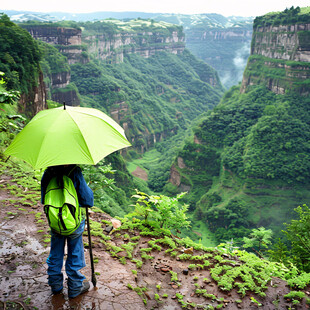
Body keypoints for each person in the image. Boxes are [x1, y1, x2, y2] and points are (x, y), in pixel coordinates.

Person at [41, 164, 94, 298]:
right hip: (73, 223)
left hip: (55, 222)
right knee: (75, 252)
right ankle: (76, 286)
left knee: (55, 252)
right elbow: (88, 200)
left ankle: (55, 285)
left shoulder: (48, 172)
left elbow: (44, 199)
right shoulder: (74, 171)